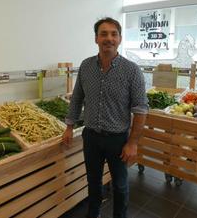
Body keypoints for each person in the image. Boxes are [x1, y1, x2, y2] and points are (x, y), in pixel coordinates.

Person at [63, 17, 148, 218]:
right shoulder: (85, 66)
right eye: (103, 34)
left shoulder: (132, 71)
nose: (108, 38)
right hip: (91, 137)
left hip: (117, 140)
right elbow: (77, 98)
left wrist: (133, 143)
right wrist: (69, 126)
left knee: (119, 185)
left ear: (119, 39)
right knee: (93, 183)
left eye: (113, 34)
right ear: (96, 39)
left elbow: (141, 109)